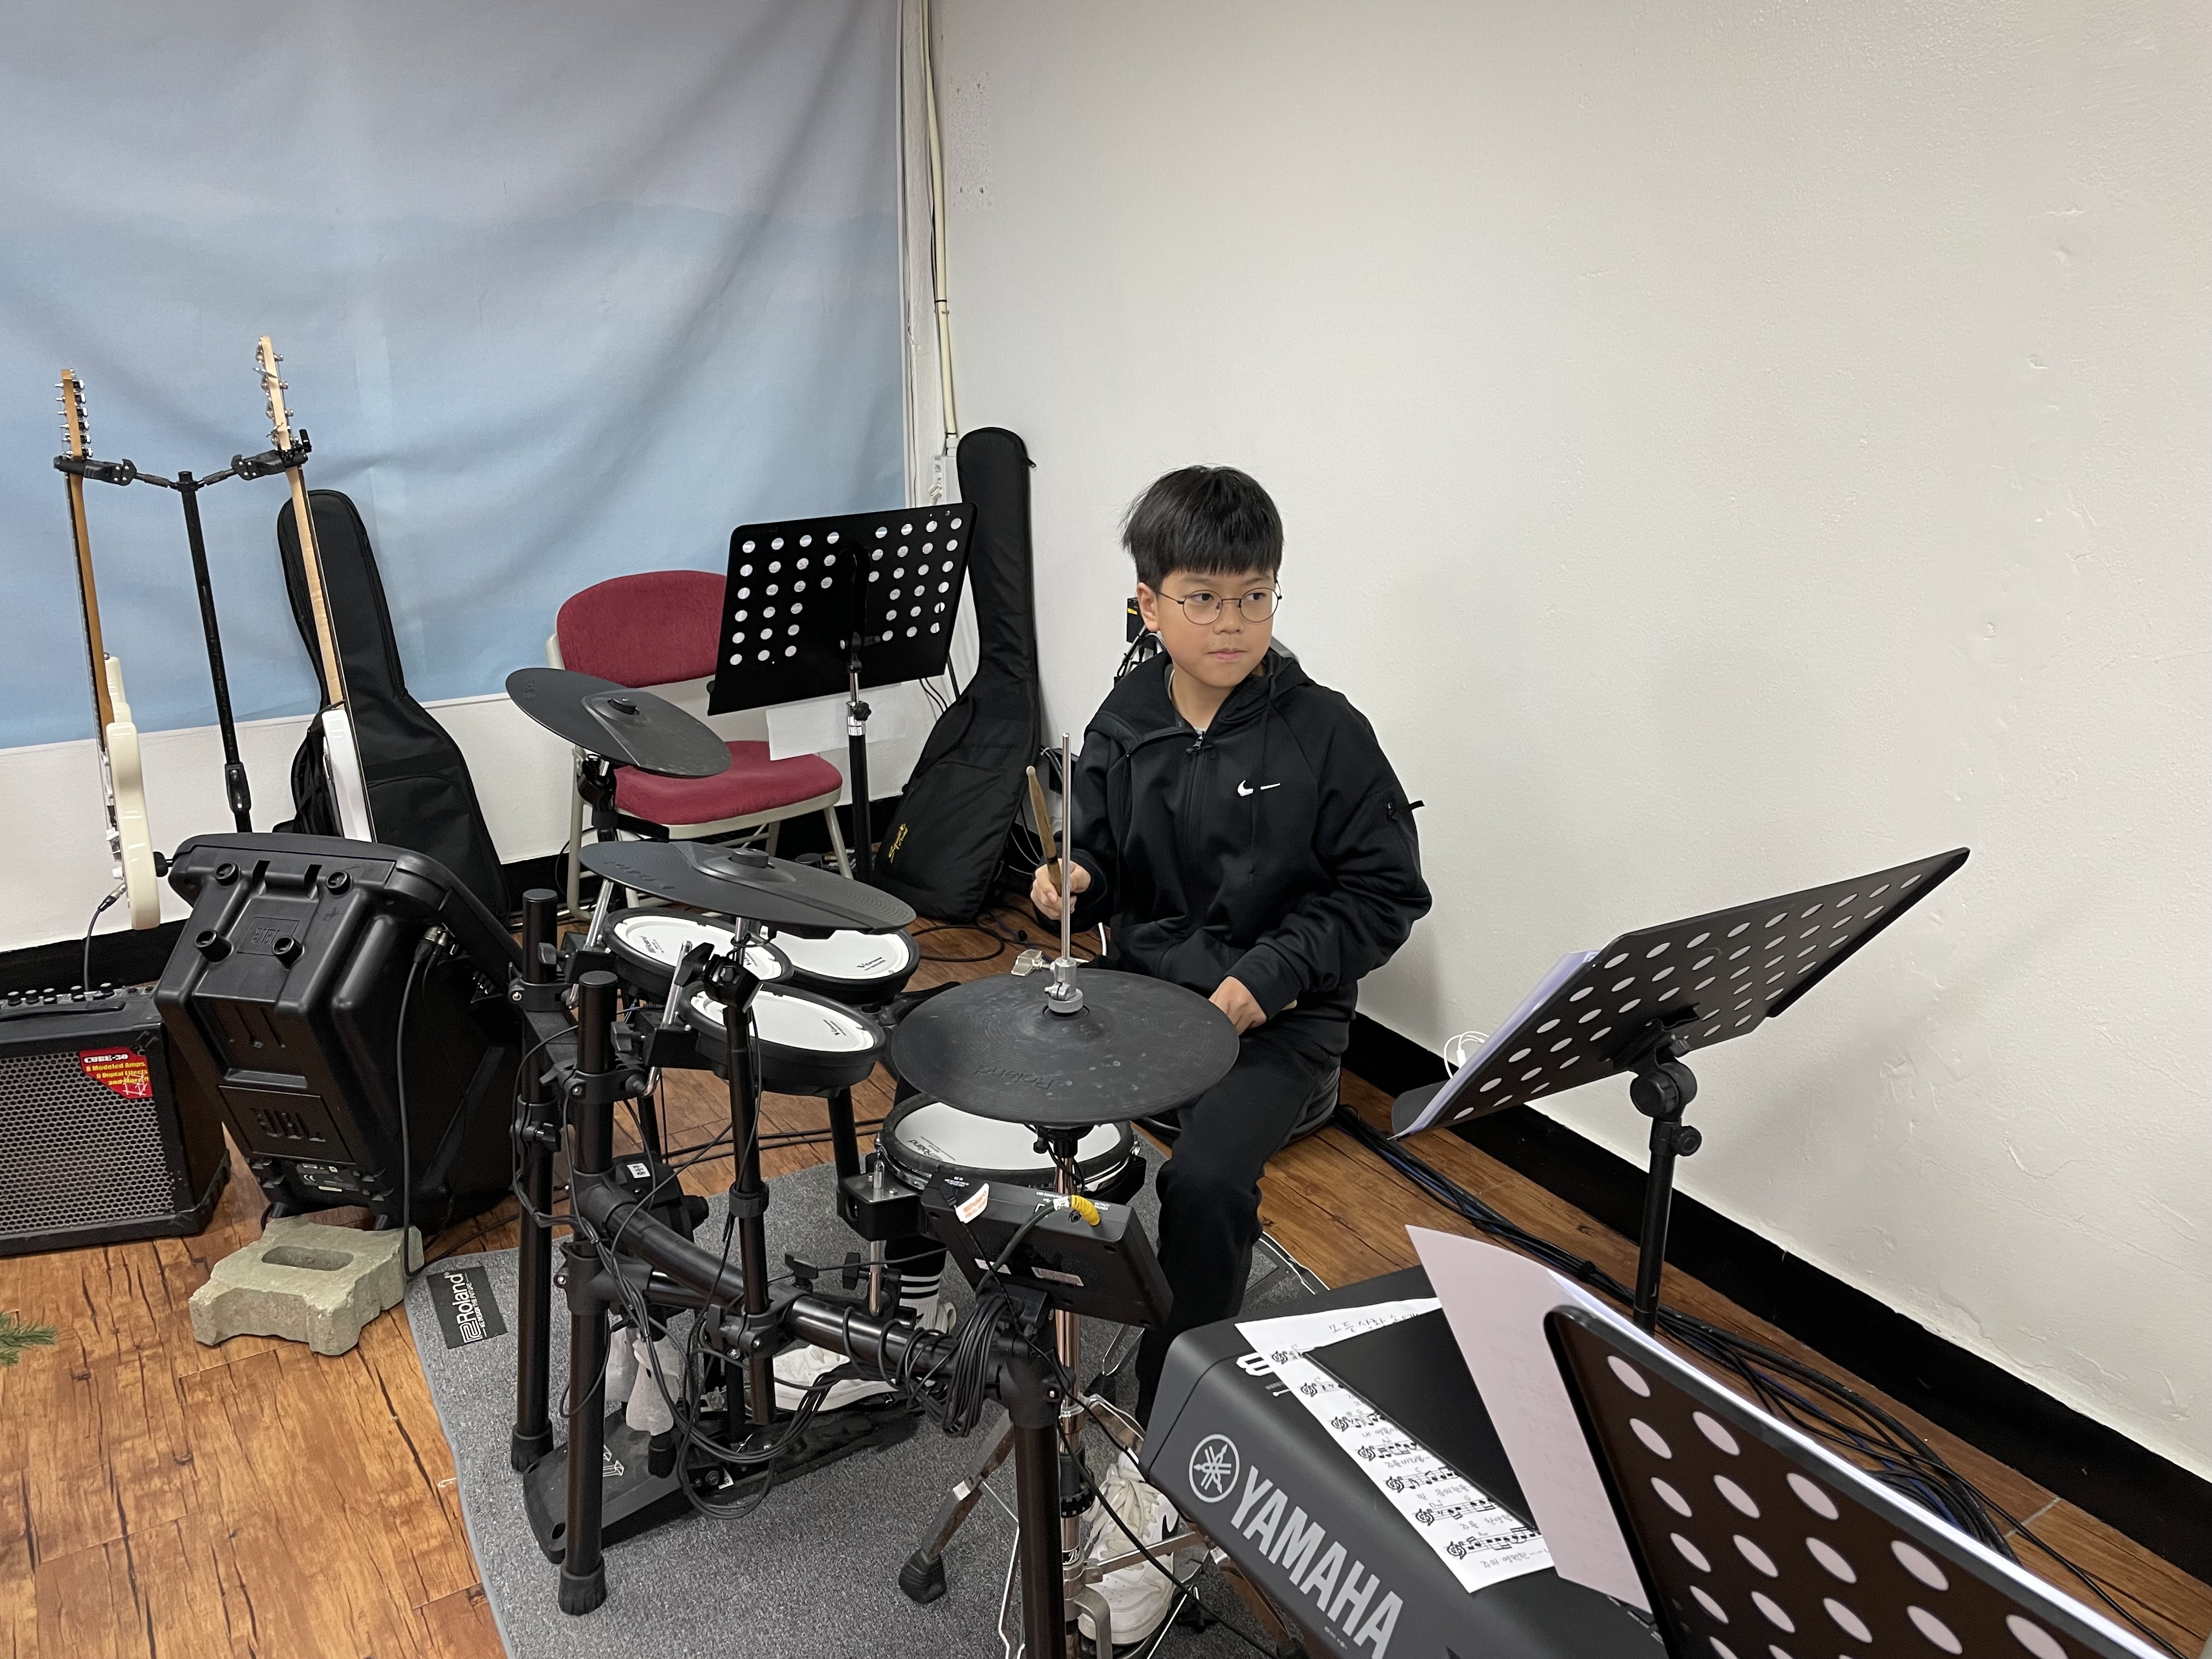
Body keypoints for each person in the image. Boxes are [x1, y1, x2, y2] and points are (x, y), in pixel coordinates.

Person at [1034, 464, 1431, 1427]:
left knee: (1206, 1184)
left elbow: (1387, 893)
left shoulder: (1326, 732)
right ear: (1149, 606)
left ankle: (1172, 1413)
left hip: (1278, 1024)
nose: (1232, 623)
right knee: (948, 1065)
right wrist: (1075, 879)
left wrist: (1272, 976)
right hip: (1146, 992)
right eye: (1203, 599)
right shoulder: (1124, 721)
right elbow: (1106, 863)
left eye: (1255, 596)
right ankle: (921, 1309)